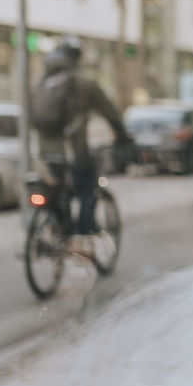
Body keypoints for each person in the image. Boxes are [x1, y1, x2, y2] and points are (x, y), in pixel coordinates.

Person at [33, 36, 130, 254]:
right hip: (74, 151)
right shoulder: (83, 83)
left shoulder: (41, 81)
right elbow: (109, 111)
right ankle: (80, 237)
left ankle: (53, 227)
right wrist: (123, 135)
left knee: (56, 189)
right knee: (88, 189)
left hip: (46, 152)